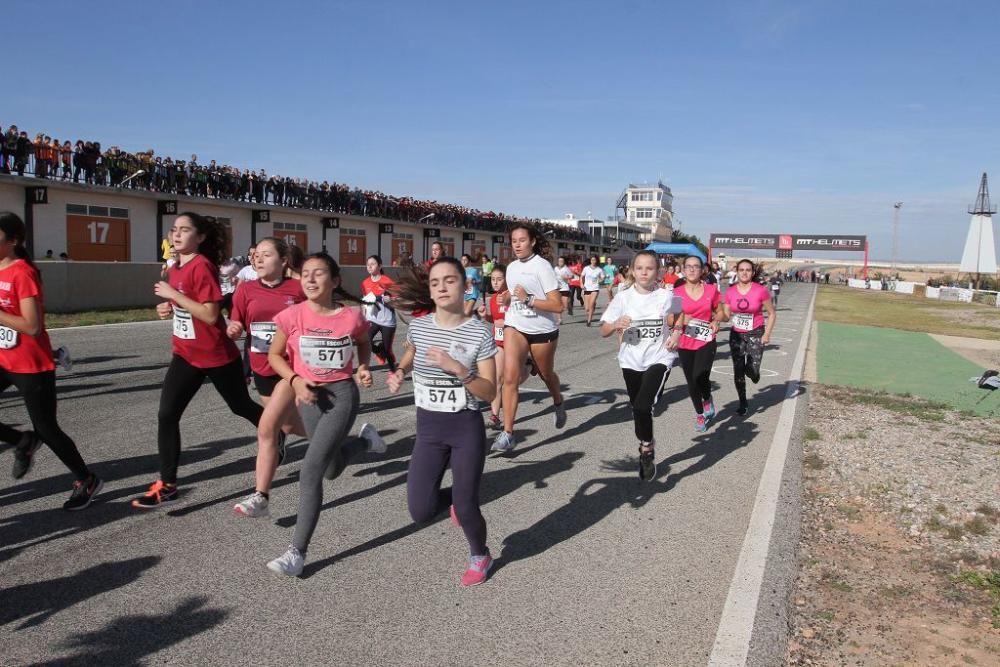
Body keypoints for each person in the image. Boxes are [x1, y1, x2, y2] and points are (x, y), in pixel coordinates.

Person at [132, 212, 265, 508]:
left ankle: (275, 432)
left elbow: (209, 314)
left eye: (184, 230)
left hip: (215, 354)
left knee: (240, 406)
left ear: (200, 237)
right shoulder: (176, 267)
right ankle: (167, 485)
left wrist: (172, 295)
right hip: (186, 354)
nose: (176, 235)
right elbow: (185, 303)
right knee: (167, 415)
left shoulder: (201, 266)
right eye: (173, 230)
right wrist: (167, 305)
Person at [265, 253, 384, 576]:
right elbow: (274, 355)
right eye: (306, 274)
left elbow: (363, 342)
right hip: (309, 397)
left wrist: (362, 366)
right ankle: (365, 442)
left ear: (335, 281)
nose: (311, 279)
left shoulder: (351, 317)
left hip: (341, 396)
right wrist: (294, 380)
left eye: (319, 274)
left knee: (311, 470)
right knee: (331, 468)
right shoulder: (292, 316)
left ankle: (297, 552)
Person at [388, 258, 498, 586]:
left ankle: (480, 555)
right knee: (420, 511)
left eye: (450, 280)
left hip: (465, 429)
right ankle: (456, 501)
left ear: (465, 286)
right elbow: (412, 352)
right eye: (436, 282)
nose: (441, 287)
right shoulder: (420, 327)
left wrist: (459, 369)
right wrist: (400, 372)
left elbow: (490, 391)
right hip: (429, 431)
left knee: (467, 508)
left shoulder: (479, 332)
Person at [0, 212, 103, 510]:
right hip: (4, 360)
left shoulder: (22, 273)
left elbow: (32, 326)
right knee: (37, 431)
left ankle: (87, 479)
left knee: (47, 428)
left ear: (14, 241)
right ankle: (21, 441)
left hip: (32, 364)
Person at [226, 237, 307, 517]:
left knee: (267, 428)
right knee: (289, 426)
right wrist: (234, 327)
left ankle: (260, 496)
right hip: (262, 369)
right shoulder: (245, 289)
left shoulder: (298, 289)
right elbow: (236, 319)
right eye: (255, 255)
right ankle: (336, 438)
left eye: (265, 255)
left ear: (283, 260)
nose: (257, 259)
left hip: (290, 369)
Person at [600, 251, 677, 481]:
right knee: (637, 408)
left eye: (650, 268)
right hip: (630, 360)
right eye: (640, 268)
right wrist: (615, 324)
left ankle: (646, 451)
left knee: (643, 406)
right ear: (632, 271)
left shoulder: (666, 296)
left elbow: (681, 316)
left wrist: (678, 333)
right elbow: (603, 330)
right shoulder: (623, 297)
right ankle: (645, 441)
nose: (644, 272)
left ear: (658, 272)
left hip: (659, 358)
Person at [492, 223, 566, 453]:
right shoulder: (512, 267)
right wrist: (507, 298)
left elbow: (557, 306)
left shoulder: (542, 267)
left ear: (532, 241)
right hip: (516, 326)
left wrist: (528, 299)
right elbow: (514, 294)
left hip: (542, 330)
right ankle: (507, 434)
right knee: (509, 378)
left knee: (546, 374)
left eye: (522, 240)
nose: (517, 245)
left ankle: (558, 401)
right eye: (514, 241)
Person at [667, 255, 724, 432]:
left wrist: (716, 321)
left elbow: (720, 311)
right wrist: (683, 319)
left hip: (706, 340)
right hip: (685, 341)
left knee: (701, 375)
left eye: (696, 266)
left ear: (702, 270)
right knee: (691, 382)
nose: (692, 269)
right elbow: (670, 320)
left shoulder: (711, 290)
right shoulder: (677, 293)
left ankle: (706, 398)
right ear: (683, 270)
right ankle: (700, 414)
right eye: (688, 266)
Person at [722, 259, 776, 416]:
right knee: (738, 370)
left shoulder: (760, 290)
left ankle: (754, 372)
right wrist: (716, 318)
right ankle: (743, 401)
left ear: (753, 273)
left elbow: (772, 313)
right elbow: (726, 315)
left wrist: (767, 334)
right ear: (737, 272)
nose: (744, 273)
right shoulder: (731, 291)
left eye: (748, 270)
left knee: (752, 370)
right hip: (736, 334)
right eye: (741, 270)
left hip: (756, 332)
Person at [361, 254, 397, 371]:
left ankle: (393, 370)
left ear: (380, 266)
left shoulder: (387, 281)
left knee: (387, 349)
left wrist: (390, 299)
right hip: (372, 318)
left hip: (387, 320)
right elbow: (364, 299)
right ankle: (378, 352)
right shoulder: (365, 283)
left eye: (373, 264)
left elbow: (399, 297)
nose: (369, 266)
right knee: (366, 341)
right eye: (368, 264)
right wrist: (362, 316)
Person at [581, 255, 604, 327]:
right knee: (587, 308)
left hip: (595, 288)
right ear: (590, 261)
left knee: (591, 304)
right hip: (587, 288)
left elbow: (602, 277)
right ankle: (593, 305)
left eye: (594, 260)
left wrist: (599, 281)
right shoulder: (586, 268)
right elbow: (582, 276)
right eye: (592, 260)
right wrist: (582, 284)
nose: (593, 261)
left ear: (596, 261)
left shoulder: (599, 269)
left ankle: (589, 321)